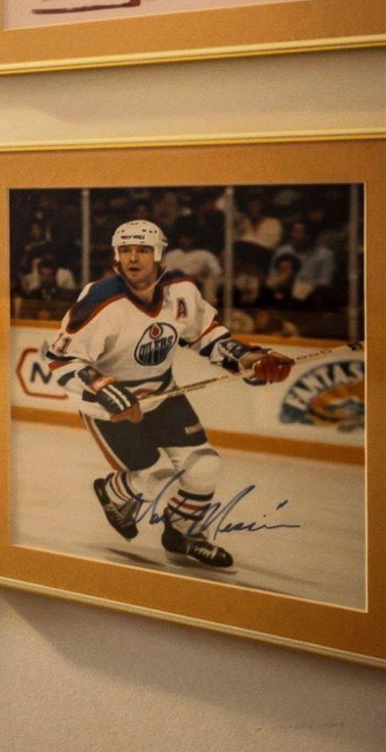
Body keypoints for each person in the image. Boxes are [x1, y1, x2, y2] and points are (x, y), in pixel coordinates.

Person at [37, 220, 294, 571]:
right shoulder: (100, 299)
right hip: (111, 407)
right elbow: (62, 358)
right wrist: (102, 387)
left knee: (205, 467)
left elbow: (205, 334)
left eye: (143, 250)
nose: (133, 258)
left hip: (162, 391)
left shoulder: (182, 290)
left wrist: (246, 358)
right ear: (116, 255)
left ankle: (183, 536)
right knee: (156, 478)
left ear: (159, 254)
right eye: (125, 250)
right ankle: (114, 492)